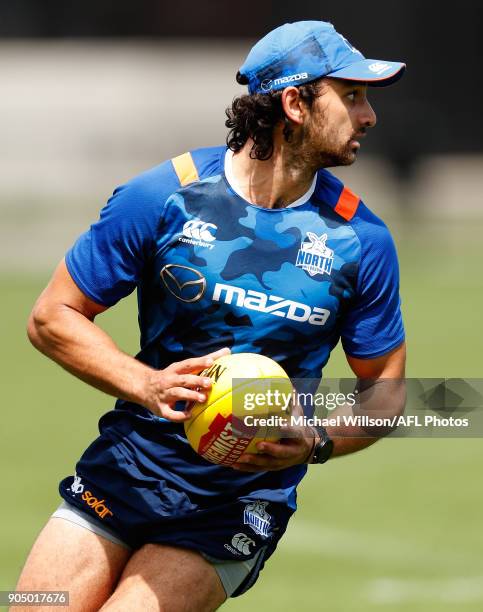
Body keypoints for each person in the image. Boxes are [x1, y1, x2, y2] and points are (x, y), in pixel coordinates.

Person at [14, 20, 406, 612]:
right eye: (350, 95)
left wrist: (317, 440)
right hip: (126, 468)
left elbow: (387, 395)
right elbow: (52, 316)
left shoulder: (362, 240)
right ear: (294, 103)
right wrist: (146, 384)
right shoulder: (163, 197)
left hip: (236, 504)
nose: (368, 115)